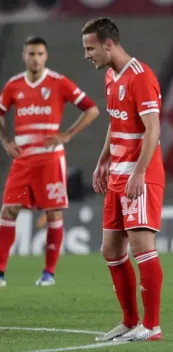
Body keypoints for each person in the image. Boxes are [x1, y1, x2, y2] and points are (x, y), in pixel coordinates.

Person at [82, 17, 165, 342]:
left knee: (142, 246)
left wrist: (139, 171)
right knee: (111, 250)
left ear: (108, 44)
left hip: (139, 176)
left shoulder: (140, 77)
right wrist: (104, 158)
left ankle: (153, 326)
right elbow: (116, 122)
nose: (87, 55)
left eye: (90, 48)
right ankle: (130, 322)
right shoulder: (110, 77)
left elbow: (153, 128)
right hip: (117, 174)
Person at [0, 36, 99, 287]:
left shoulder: (58, 83)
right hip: (23, 163)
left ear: (46, 56)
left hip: (50, 163)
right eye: (31, 54)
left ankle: (49, 273)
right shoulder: (13, 85)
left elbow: (92, 109)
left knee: (53, 212)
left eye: (40, 54)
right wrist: (5, 139)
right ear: (24, 55)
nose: (35, 58)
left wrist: (67, 135)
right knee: (9, 209)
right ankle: (0, 271)